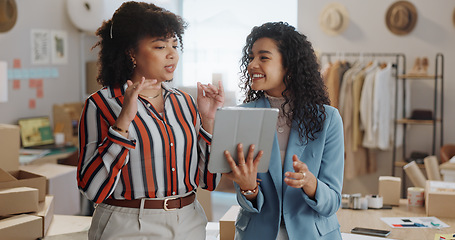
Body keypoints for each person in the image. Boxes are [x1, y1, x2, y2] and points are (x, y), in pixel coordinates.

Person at [77, 2, 224, 239]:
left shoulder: (185, 102)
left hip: (189, 222)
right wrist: (123, 122)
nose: (171, 53)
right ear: (131, 52)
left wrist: (208, 122)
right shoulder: (101, 104)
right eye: (159, 46)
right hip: (129, 226)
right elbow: (92, 189)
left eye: (175, 45)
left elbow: (209, 180)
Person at [223, 22, 344, 239]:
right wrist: (249, 189)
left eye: (263, 57)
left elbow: (332, 202)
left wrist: (310, 183)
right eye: (251, 57)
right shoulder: (242, 116)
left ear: (289, 64)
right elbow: (244, 201)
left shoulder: (328, 119)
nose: (252, 65)